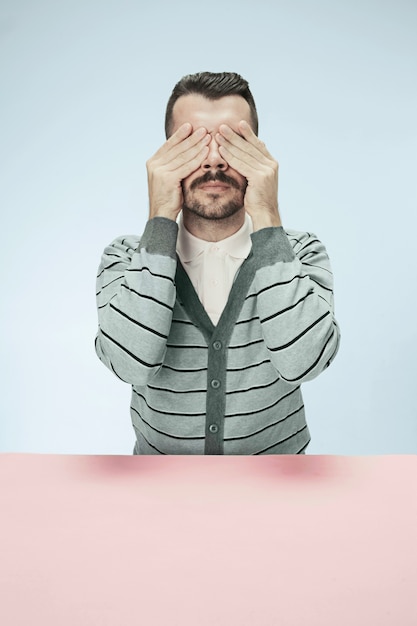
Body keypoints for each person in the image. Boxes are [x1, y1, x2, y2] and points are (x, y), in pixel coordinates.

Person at [95, 71, 341, 455]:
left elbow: (303, 363)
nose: (213, 160)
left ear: (258, 154)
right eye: (191, 144)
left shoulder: (300, 251)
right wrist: (160, 213)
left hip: (279, 492)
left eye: (232, 143)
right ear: (165, 157)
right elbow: (132, 365)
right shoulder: (127, 258)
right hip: (158, 494)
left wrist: (267, 213)